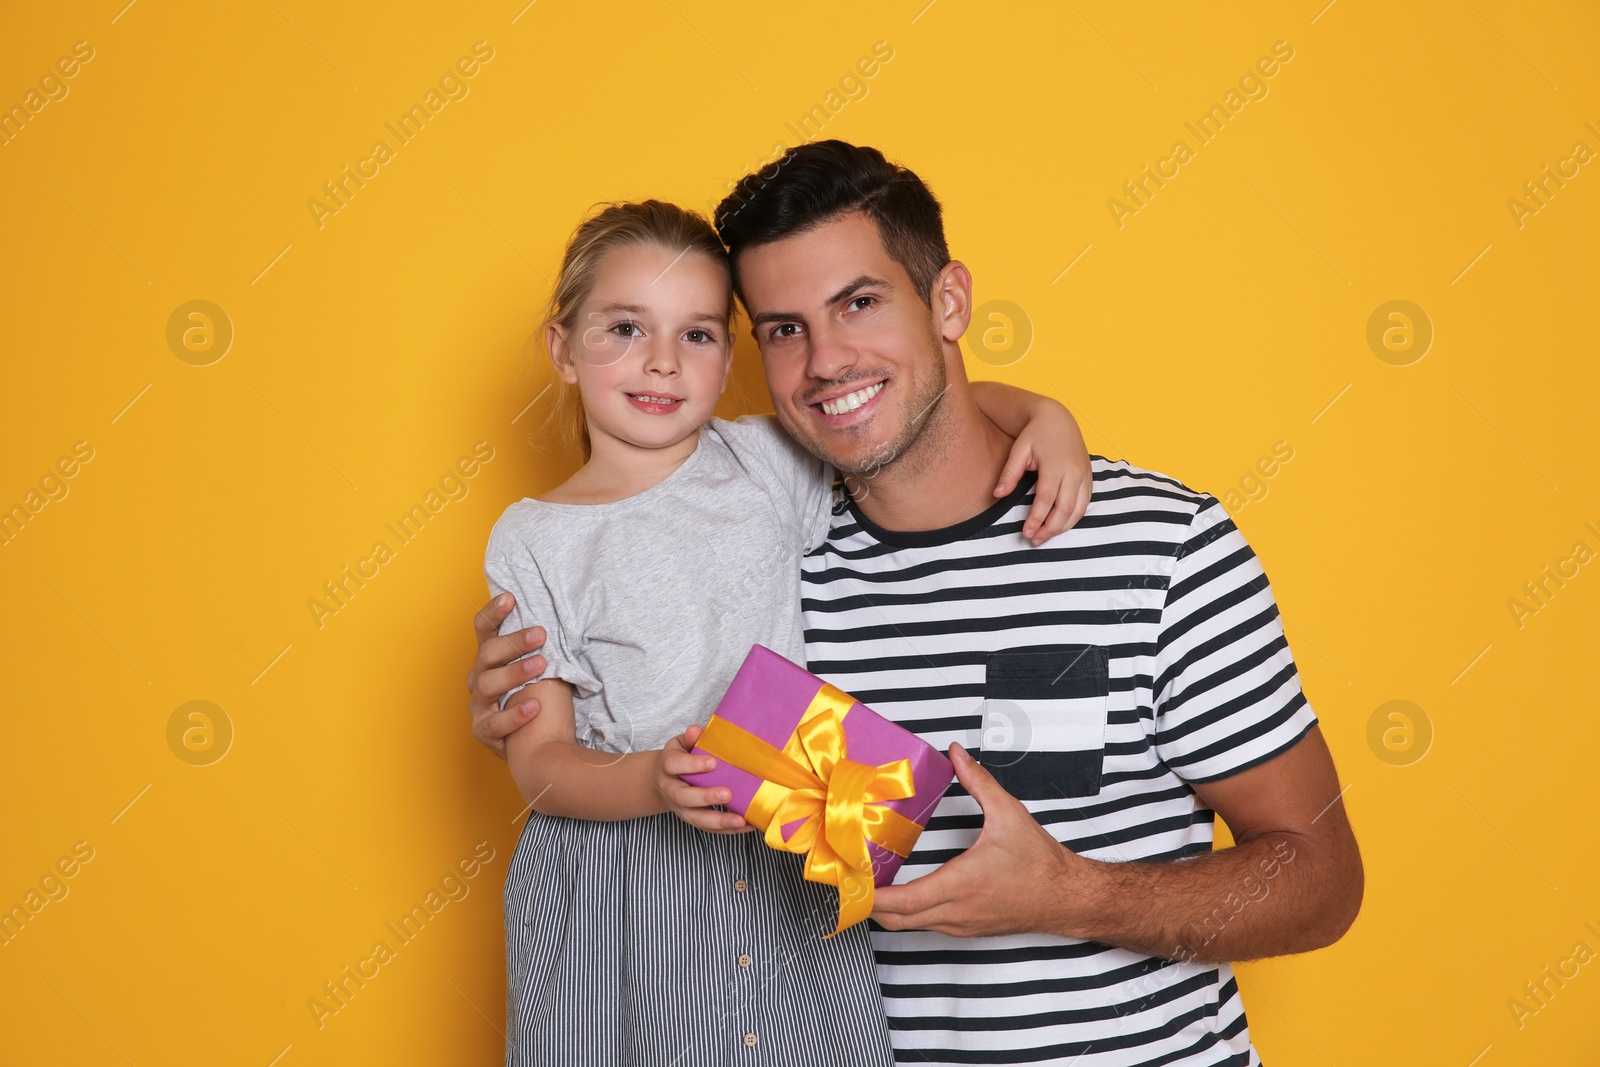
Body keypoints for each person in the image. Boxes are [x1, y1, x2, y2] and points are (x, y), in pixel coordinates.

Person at [471, 143, 1365, 1066]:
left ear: (949, 302)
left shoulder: (1156, 543)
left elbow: (1323, 879)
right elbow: (630, 643)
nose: (826, 361)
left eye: (859, 303)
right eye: (783, 328)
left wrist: (1073, 894)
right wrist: (552, 711)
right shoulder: (781, 556)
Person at [481, 197, 1094, 1066]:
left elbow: (916, 403)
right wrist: (653, 782)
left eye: (696, 334)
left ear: (726, 356)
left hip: (792, 856)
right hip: (622, 884)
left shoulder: (764, 461)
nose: (659, 361)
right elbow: (540, 766)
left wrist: (1044, 413)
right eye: (623, 327)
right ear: (563, 348)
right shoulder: (533, 536)